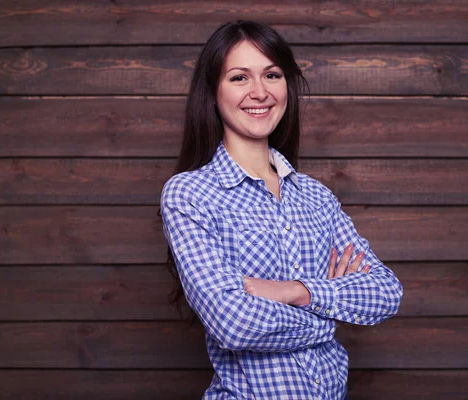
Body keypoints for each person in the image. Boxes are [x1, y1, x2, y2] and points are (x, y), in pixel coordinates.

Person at [160, 20, 403, 400]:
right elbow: (233, 324)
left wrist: (295, 291)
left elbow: (385, 292)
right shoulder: (191, 195)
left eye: (272, 75)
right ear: (212, 93)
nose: (259, 92)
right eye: (239, 78)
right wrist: (331, 312)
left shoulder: (316, 197)